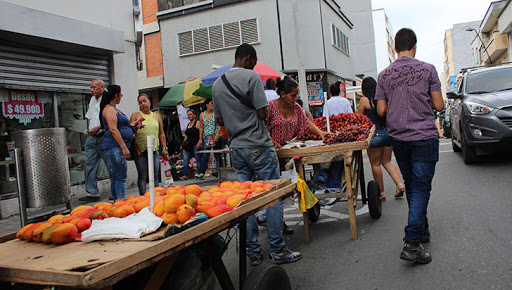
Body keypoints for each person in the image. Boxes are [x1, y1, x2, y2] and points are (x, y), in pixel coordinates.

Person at [212, 43, 302, 266]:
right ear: (249, 58)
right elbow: (263, 112)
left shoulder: (217, 84)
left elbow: (219, 120)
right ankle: (277, 250)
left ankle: (253, 252)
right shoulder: (251, 78)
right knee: (272, 198)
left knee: (247, 201)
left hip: (237, 149)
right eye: (254, 61)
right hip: (259, 145)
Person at [376, 28, 444, 264]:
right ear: (415, 46)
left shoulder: (384, 75)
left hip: (399, 138)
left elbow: (381, 110)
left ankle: (422, 230)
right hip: (424, 136)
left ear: (395, 48)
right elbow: (440, 104)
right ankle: (412, 242)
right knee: (421, 188)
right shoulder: (428, 69)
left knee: (413, 186)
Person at [357, 77, 405, 200]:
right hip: (387, 132)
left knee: (375, 163)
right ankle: (399, 184)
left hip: (374, 135)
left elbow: (358, 118)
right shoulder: (382, 99)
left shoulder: (364, 100)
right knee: (387, 161)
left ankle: (381, 192)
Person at [100, 85, 142, 201]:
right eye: (121, 95)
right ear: (116, 96)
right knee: (120, 176)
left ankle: (118, 201)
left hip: (116, 147)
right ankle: (121, 202)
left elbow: (119, 126)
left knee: (116, 176)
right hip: (115, 147)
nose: (121, 97)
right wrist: (124, 147)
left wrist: (133, 127)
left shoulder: (114, 109)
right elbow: (113, 129)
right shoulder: (109, 109)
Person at [266, 76, 328, 149]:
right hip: (269, 150)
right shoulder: (270, 107)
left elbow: (305, 122)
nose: (296, 98)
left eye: (297, 95)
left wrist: (321, 133)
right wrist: (272, 141)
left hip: (286, 149)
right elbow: (261, 129)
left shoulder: (296, 107)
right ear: (282, 94)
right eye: (293, 96)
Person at [130, 93, 168, 196]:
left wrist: (164, 148)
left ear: (149, 101)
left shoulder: (156, 116)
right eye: (140, 102)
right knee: (143, 176)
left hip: (155, 150)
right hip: (141, 150)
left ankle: (156, 196)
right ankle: (143, 197)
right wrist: (135, 127)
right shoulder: (135, 115)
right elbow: (130, 132)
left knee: (155, 175)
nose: (143, 104)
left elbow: (161, 133)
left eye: (144, 101)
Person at [79, 79, 109, 202]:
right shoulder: (92, 100)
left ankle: (117, 190)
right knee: (90, 165)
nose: (91, 90)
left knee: (110, 164)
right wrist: (90, 131)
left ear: (101, 87)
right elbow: (90, 117)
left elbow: (109, 118)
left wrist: (99, 127)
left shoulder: (107, 99)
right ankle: (92, 193)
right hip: (92, 137)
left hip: (103, 135)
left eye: (94, 87)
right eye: (91, 87)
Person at [197, 98, 219, 179]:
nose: (212, 105)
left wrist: (217, 134)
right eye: (211, 103)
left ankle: (218, 170)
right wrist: (200, 139)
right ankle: (202, 172)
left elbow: (220, 124)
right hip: (207, 137)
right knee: (205, 154)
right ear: (207, 105)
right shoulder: (202, 115)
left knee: (217, 154)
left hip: (215, 135)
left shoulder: (216, 113)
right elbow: (201, 127)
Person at [180, 109, 201, 180]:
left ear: (194, 115)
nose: (189, 116)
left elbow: (201, 131)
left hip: (195, 144)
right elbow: (186, 136)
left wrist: (200, 141)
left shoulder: (197, 123)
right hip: (188, 146)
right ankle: (185, 175)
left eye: (190, 114)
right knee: (185, 160)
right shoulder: (188, 125)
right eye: (188, 115)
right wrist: (182, 144)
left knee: (198, 159)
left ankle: (199, 173)